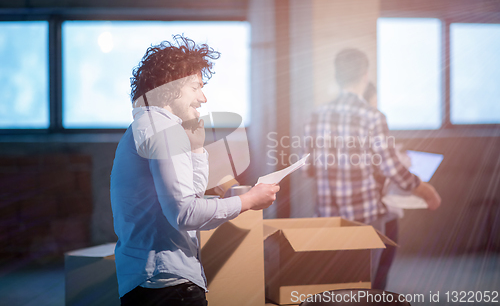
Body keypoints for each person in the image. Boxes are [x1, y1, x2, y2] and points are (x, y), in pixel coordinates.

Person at [110, 35, 279, 306]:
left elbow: (190, 198)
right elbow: (185, 214)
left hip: (149, 280)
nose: (203, 97)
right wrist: (248, 201)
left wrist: (197, 150)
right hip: (170, 286)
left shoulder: (145, 126)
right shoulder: (164, 130)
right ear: (171, 86)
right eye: (196, 87)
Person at [302, 48, 441, 290]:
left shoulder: (316, 116)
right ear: (365, 75)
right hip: (364, 218)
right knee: (367, 290)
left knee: (335, 288)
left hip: (326, 217)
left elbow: (309, 169)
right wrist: (424, 189)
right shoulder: (373, 116)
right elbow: (392, 168)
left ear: (337, 76)